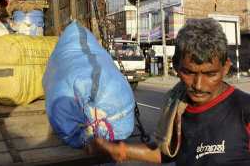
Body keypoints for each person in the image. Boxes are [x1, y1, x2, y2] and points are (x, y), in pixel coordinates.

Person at [85, 18, 250, 165]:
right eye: (189, 72)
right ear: (176, 66)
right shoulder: (177, 105)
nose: (199, 85)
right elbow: (169, 150)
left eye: (210, 74)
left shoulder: (244, 110)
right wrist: (118, 150)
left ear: (226, 67)